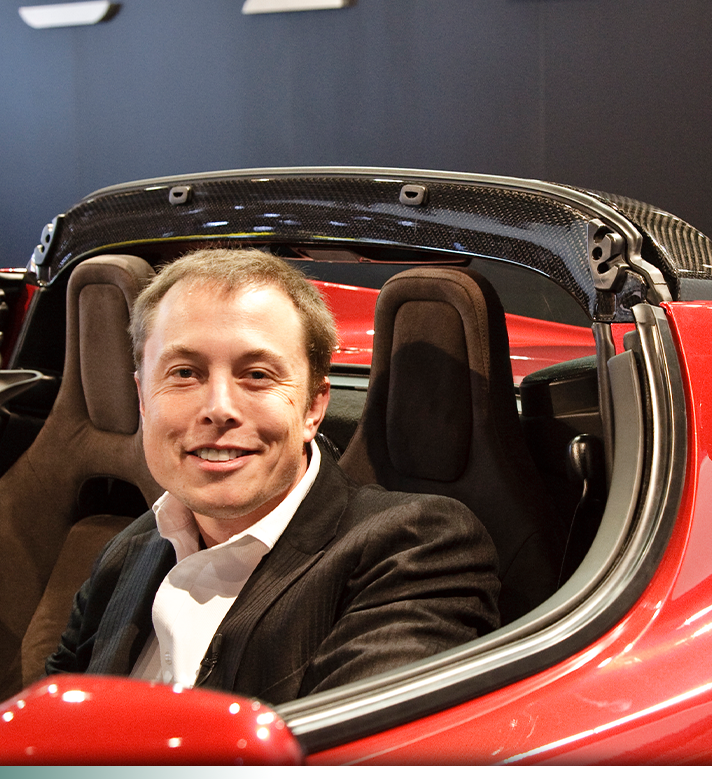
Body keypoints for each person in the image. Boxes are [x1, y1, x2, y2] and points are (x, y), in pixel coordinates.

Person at [45, 249, 501, 702]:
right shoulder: (126, 553)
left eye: (258, 375)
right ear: (143, 399)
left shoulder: (416, 550)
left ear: (313, 408)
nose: (218, 408)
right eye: (184, 373)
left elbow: (354, 744)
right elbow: (45, 727)